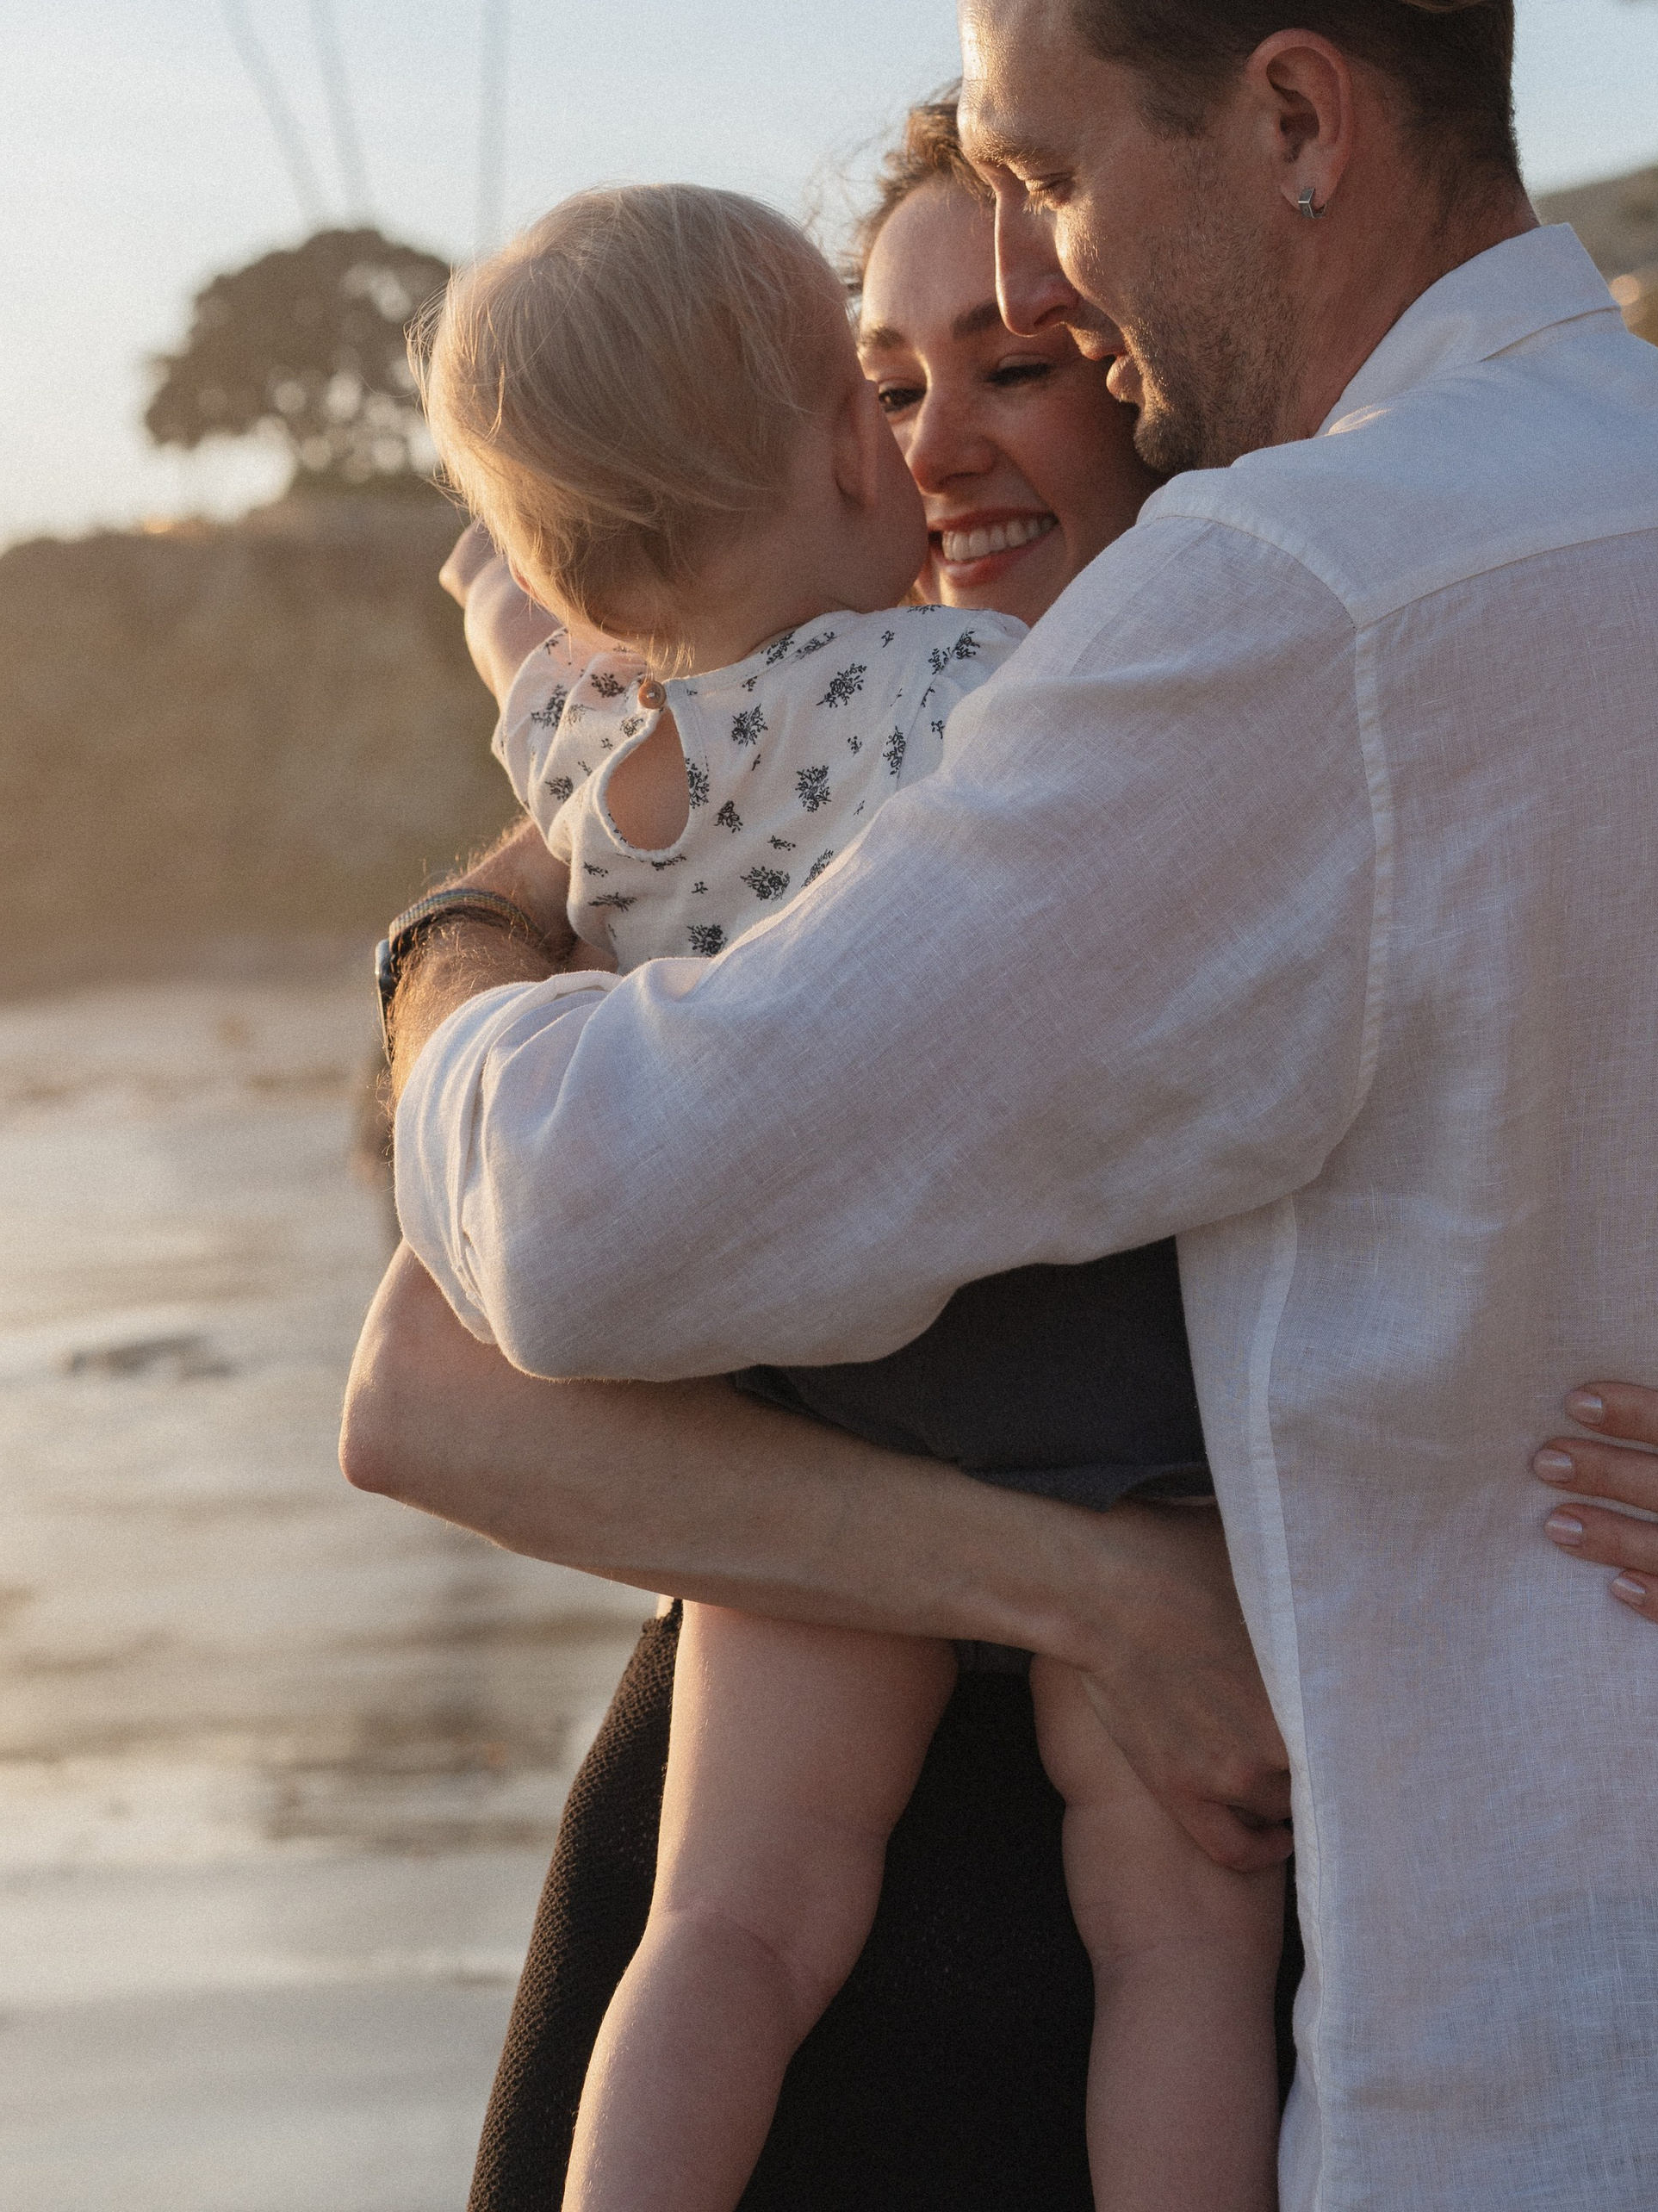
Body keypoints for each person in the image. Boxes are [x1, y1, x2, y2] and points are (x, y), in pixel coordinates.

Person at [375, 0, 1658, 2205]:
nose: (1070, 286)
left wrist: (455, 960)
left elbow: (588, 1226)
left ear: (1302, 119)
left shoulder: (1302, 607)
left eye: (1062, 181)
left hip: (1525, 2101)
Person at [415, 177, 1281, 2212]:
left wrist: (497, 789)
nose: (929, 440)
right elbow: (409, 1398)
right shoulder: (988, 718)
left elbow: (515, 631)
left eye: (1014, 363)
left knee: (726, 1935)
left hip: (806, 1437)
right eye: (882, 384)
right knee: (1182, 1949)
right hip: (1099, 1459)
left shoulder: (598, 764)